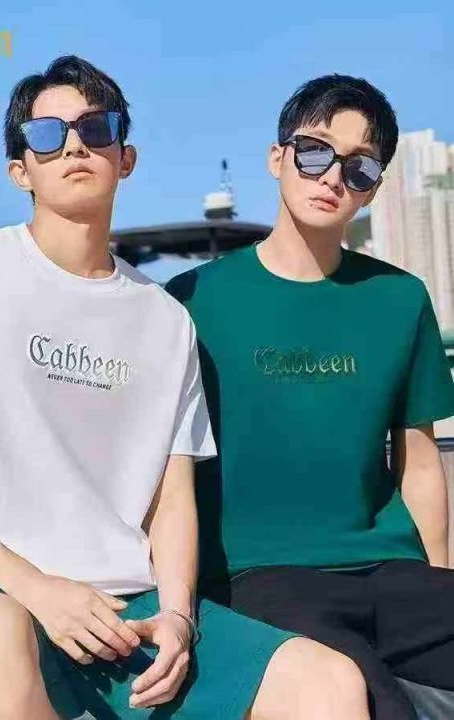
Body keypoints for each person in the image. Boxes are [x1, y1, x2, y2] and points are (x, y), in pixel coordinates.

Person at [0, 57, 362, 720]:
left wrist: (178, 616)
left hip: (130, 609)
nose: (74, 145)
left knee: (329, 682)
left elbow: (171, 498)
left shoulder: (166, 320)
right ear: (20, 170)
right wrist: (37, 588)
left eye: (96, 129)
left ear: (126, 158)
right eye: (47, 135)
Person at [165, 73, 454, 720]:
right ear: (278, 158)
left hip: (391, 572)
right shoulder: (191, 302)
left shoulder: (400, 299)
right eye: (315, 151)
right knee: (372, 701)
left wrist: (436, 582)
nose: (332, 178)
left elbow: (419, 461)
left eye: (359, 167)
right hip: (257, 578)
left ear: (374, 187)